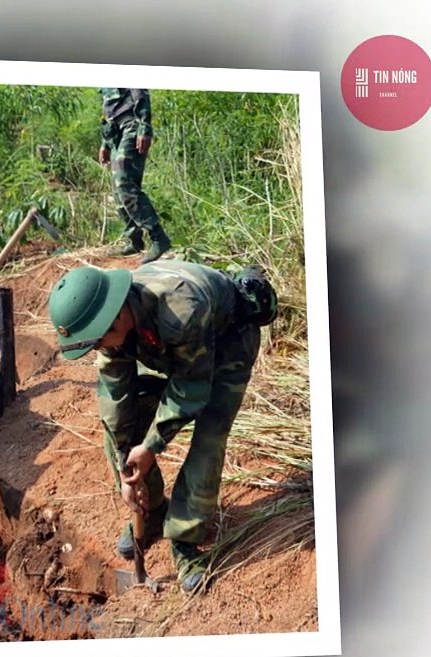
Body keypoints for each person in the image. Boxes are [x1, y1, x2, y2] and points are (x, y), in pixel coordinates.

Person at [46, 260, 278, 593]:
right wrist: (125, 468)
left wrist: (152, 446)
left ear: (116, 318)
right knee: (121, 432)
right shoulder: (111, 332)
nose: (97, 349)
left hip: (228, 342)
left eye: (96, 341)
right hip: (174, 350)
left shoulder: (181, 308)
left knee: (209, 436)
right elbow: (114, 402)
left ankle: (185, 540)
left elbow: (190, 390)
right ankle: (153, 510)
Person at [97, 88, 173, 264]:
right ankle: (134, 240)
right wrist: (106, 143)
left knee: (125, 184)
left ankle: (158, 237)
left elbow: (140, 93)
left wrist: (144, 127)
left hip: (132, 125)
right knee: (118, 191)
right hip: (115, 132)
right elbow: (109, 109)